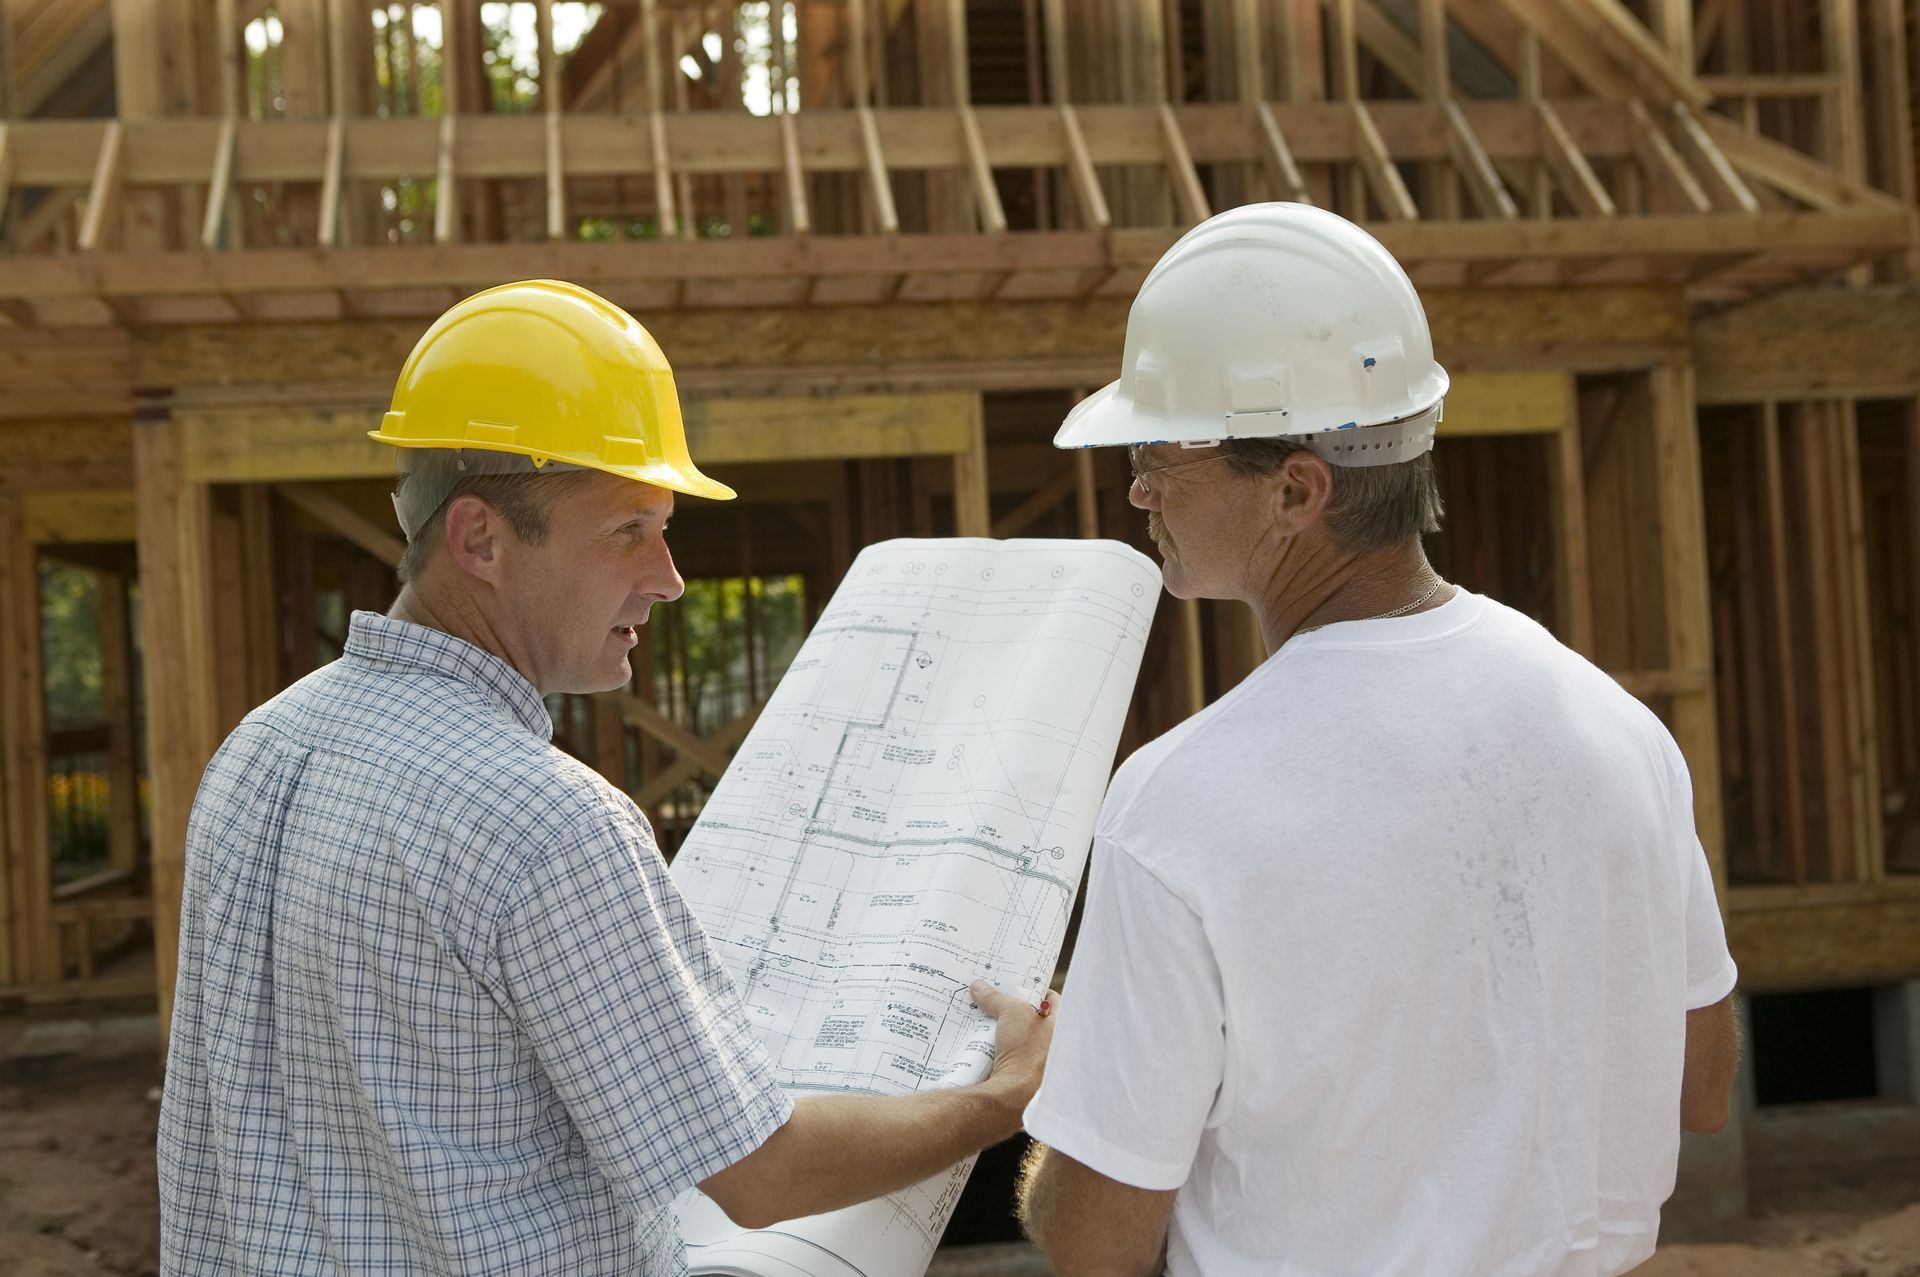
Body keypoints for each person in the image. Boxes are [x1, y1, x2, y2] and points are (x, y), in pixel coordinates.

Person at [156, 280, 1055, 1275]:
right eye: (629, 528)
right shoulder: (545, 822)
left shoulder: (254, 753)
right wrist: (1002, 1095)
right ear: (480, 538)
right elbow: (761, 1171)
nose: (668, 575)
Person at [1014, 205, 1741, 1277]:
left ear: (1296, 488)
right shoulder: (1621, 733)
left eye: (1162, 451)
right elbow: (1702, 1083)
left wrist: (1071, 1071)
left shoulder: (1178, 802)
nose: (1138, 488)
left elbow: (1094, 1241)